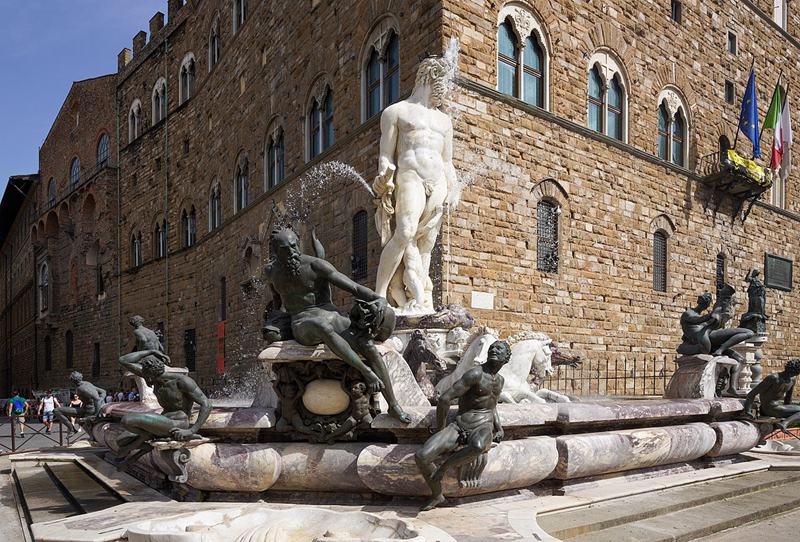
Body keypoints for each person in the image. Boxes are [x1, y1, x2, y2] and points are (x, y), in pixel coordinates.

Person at [264, 226, 410, 423]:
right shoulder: (271, 271)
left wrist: (378, 298)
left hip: (331, 314)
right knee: (321, 327)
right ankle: (367, 372)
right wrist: (277, 322)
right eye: (286, 249)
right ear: (276, 250)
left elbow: (354, 287)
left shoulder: (315, 265)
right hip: (301, 321)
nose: (293, 252)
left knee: (366, 343)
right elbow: (277, 301)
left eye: (294, 246)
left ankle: (393, 405)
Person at [415, 340, 511, 510]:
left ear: (507, 357)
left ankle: (443, 468)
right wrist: (441, 428)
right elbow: (444, 399)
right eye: (492, 347)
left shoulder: (501, 380)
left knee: (478, 445)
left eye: (499, 348)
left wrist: (499, 427)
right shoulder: (475, 374)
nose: (494, 350)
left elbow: (492, 405)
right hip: (460, 425)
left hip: (483, 426)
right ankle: (437, 495)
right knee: (422, 456)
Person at [115, 349, 211, 466]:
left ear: (149, 375)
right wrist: (151, 351)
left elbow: (206, 404)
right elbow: (123, 360)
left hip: (177, 423)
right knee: (120, 440)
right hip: (163, 421)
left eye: (144, 375)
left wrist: (191, 430)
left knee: (127, 420)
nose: (144, 378)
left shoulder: (182, 381)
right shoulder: (155, 378)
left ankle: (146, 437)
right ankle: (146, 439)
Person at [743, 359, 800, 431]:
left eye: (794, 373)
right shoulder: (773, 378)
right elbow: (751, 394)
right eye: (790, 372)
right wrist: (747, 411)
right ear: (787, 369)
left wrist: (788, 413)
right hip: (767, 409)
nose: (791, 374)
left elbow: (788, 398)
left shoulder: (792, 379)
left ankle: (784, 423)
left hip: (778, 408)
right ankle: (784, 424)